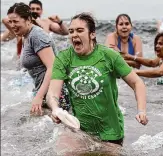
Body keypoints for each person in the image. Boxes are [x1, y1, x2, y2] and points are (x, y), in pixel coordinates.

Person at [46, 13, 148, 146]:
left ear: (92, 34)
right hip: (79, 129)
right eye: (71, 31)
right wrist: (55, 109)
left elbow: (137, 82)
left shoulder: (109, 55)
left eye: (80, 30)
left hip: (110, 131)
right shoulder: (63, 58)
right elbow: (52, 93)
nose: (74, 34)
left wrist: (141, 110)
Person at [7, 2, 70, 115]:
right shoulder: (26, 35)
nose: (12, 25)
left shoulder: (37, 35)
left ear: (28, 20)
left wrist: (39, 96)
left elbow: (52, 67)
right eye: (10, 21)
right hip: (46, 92)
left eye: (15, 21)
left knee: (60, 129)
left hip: (55, 95)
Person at [1, 0, 68, 57]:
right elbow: (5, 20)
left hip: (43, 54)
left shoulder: (46, 23)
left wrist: (60, 22)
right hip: (24, 59)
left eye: (37, 9)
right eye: (32, 9)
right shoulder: (19, 25)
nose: (35, 11)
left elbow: (65, 32)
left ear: (41, 11)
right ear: (28, 10)